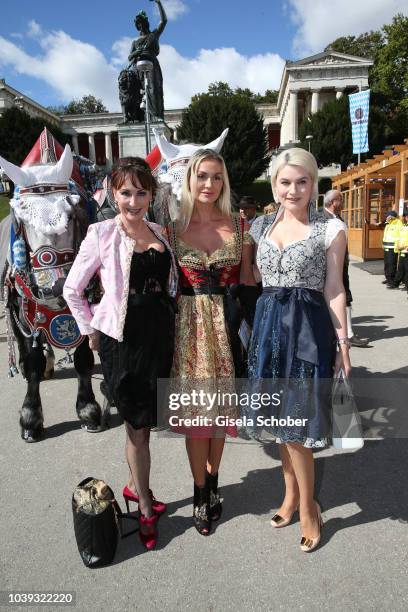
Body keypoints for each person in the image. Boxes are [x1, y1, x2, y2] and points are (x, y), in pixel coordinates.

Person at [63, 157, 178, 550]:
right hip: (123, 341)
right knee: (137, 427)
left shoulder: (161, 232)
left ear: (151, 195)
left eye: (141, 192)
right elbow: (72, 290)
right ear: (113, 193)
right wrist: (89, 328)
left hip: (159, 337)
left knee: (147, 423)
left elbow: (171, 284)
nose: (133, 200)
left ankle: (134, 486)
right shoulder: (100, 233)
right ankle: (144, 505)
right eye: (125, 192)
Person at [247, 148, 351, 553]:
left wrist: (343, 343)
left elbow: (335, 288)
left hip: (308, 330)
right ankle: (290, 496)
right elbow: (252, 278)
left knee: (298, 429)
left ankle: (309, 508)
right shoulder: (258, 226)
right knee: (279, 419)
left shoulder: (331, 228)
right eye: (285, 182)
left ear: (314, 183)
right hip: (269, 329)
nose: (294, 189)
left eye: (302, 181)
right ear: (274, 185)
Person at [167, 149, 258, 536]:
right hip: (187, 335)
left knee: (219, 418)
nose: (209, 184)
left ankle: (214, 478)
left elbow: (251, 282)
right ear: (190, 179)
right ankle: (199, 492)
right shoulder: (170, 228)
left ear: (224, 182)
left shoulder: (239, 226)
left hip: (226, 330)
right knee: (196, 422)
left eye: (217, 177)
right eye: (202, 176)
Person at [323, 189, 369, 347]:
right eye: (340, 200)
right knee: (341, 298)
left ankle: (347, 334)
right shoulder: (322, 219)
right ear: (332, 202)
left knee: (346, 298)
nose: (342, 203)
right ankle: (345, 336)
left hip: (341, 267)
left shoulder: (337, 217)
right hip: (331, 268)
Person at [128, 0, 167, 120]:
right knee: (138, 93)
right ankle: (140, 118)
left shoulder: (153, 35)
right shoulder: (135, 42)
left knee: (154, 90)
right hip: (138, 67)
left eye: (141, 23)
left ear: (146, 23)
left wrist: (158, 3)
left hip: (152, 65)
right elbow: (130, 57)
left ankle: (155, 116)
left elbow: (164, 21)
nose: (140, 26)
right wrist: (137, 52)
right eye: (138, 24)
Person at [387, 209, 408, 292]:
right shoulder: (404, 226)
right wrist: (397, 247)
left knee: (407, 269)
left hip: (406, 250)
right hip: (401, 250)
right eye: (406, 216)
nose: (407, 218)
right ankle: (395, 284)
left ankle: (406, 286)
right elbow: (399, 237)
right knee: (400, 269)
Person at [382, 211, 402, 286]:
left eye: (388, 216)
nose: (387, 217)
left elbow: (400, 234)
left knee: (391, 264)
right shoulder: (388, 223)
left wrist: (399, 245)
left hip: (393, 247)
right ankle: (388, 278)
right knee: (386, 264)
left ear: (392, 216)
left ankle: (392, 280)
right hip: (386, 247)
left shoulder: (398, 223)